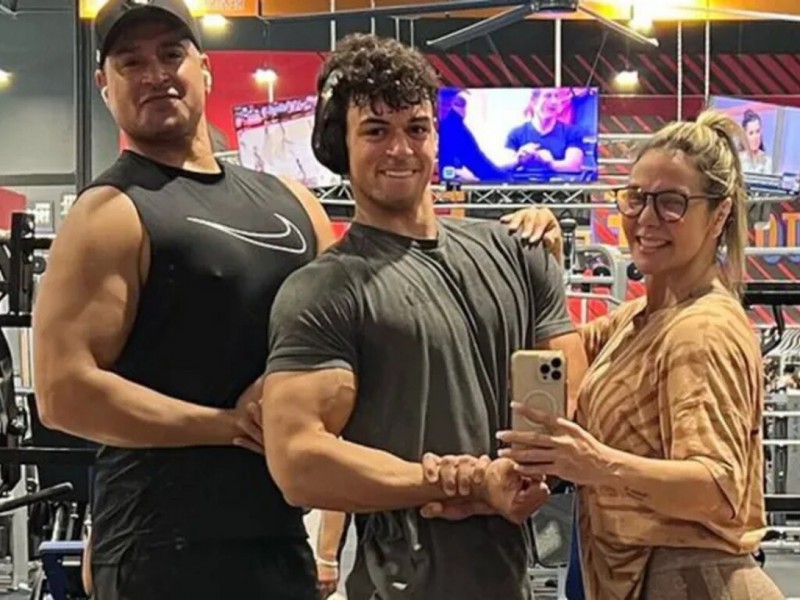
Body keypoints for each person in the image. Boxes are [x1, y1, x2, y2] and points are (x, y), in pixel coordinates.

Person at [32, 4, 560, 598]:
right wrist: (226, 425)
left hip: (277, 532)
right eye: (131, 62)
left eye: (171, 55)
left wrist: (528, 239)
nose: (155, 74)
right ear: (104, 85)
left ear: (205, 69)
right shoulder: (108, 212)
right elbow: (62, 393)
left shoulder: (289, 201)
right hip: (160, 540)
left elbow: (358, 328)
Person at [260, 33, 588, 600]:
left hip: (506, 579)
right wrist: (457, 482)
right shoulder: (322, 290)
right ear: (339, 144)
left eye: (416, 128)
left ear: (436, 136)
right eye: (375, 131)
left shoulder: (520, 252)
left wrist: (529, 474)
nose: (401, 149)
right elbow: (298, 463)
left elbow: (569, 397)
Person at [499, 111, 784, 599]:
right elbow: (562, 354)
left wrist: (597, 464)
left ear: (718, 216)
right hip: (635, 576)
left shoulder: (702, 330)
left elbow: (717, 489)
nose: (647, 218)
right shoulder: (639, 318)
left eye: (672, 203)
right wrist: (546, 262)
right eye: (636, 197)